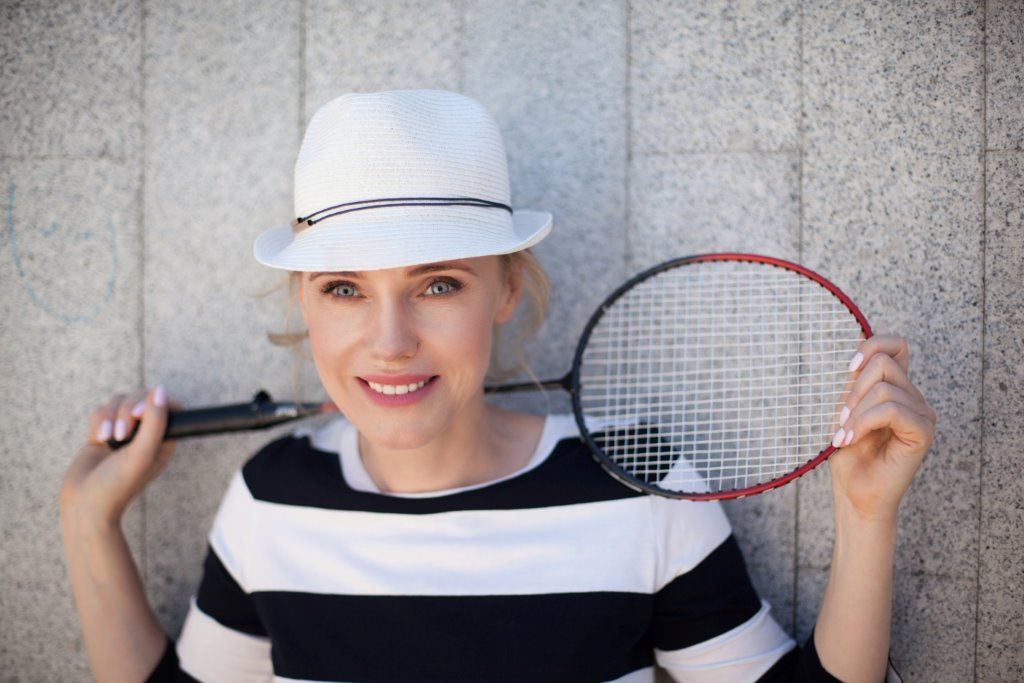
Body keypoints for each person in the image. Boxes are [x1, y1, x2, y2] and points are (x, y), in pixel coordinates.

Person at [59, 90, 935, 683]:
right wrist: (87, 522)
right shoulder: (271, 495)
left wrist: (867, 519)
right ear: (304, 302)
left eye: (438, 284)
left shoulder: (635, 478)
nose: (390, 342)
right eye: (344, 288)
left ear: (506, 290)